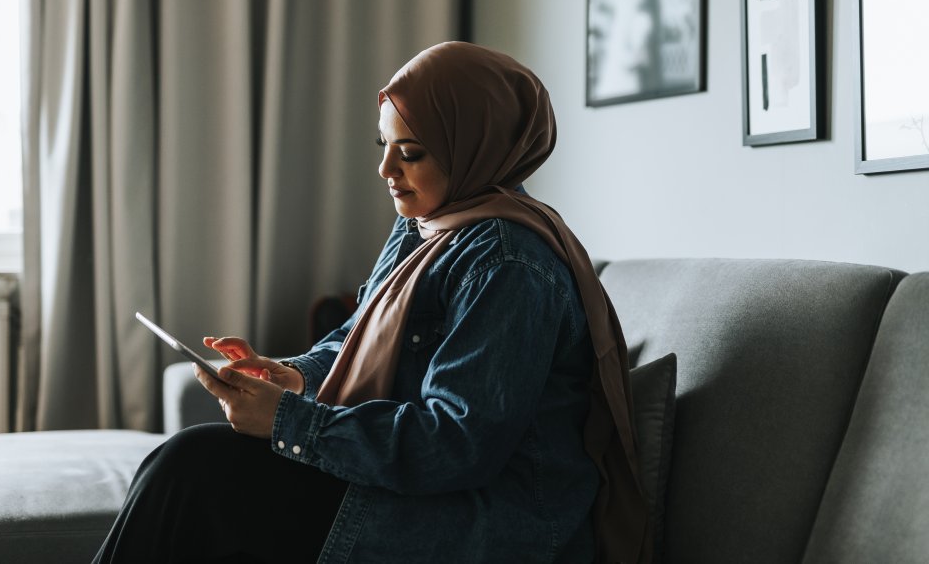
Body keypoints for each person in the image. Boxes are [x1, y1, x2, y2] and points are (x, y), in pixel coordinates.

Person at [93, 41, 649, 563]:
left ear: (474, 150)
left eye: (411, 153)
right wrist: (290, 378)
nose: (386, 171)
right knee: (185, 465)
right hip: (412, 484)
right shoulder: (426, 224)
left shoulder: (507, 263)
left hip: (486, 521)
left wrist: (289, 421)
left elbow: (457, 444)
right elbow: (356, 335)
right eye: (384, 146)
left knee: (192, 472)